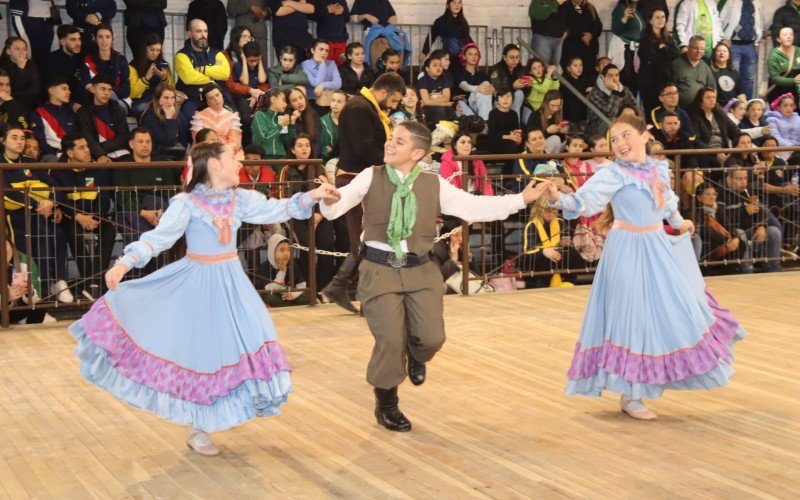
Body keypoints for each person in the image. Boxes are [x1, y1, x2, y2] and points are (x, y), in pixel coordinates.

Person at [68, 141, 340, 456]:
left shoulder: (240, 199)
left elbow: (275, 208)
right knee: (204, 353)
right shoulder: (187, 203)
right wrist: (125, 262)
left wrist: (313, 196)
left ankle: (231, 406)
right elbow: (159, 238)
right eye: (232, 158)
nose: (239, 162)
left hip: (232, 281)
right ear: (213, 164)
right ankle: (198, 426)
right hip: (198, 282)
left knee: (253, 336)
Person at [319, 120, 547, 431]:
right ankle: (387, 403)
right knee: (389, 340)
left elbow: (473, 206)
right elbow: (338, 203)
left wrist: (521, 200)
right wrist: (329, 199)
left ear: (417, 152)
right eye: (391, 138)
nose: (389, 144)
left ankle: (417, 353)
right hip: (379, 270)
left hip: (421, 271)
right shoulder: (369, 176)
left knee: (431, 338)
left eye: (398, 141)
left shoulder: (433, 183)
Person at [546, 114, 745, 420]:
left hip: (656, 247)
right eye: (614, 140)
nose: (619, 143)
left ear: (644, 135)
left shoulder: (658, 169)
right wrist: (559, 198)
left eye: (625, 135)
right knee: (633, 318)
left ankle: (644, 385)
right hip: (627, 249)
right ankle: (632, 394)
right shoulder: (612, 173)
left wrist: (680, 224)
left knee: (671, 310)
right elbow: (585, 202)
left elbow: (666, 205)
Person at [321, 72, 405, 313]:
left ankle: (343, 287)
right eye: (394, 100)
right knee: (367, 239)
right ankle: (358, 292)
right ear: (382, 93)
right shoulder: (360, 108)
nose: (394, 106)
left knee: (372, 237)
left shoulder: (365, 107)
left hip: (364, 178)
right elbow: (363, 148)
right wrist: (395, 162)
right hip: (355, 179)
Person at [174, 19, 231, 123]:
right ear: (190, 34)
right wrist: (213, 77)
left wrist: (202, 70)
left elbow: (225, 73)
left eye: (205, 31)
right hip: (193, 99)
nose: (203, 35)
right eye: (199, 31)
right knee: (193, 120)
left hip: (216, 98)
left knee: (234, 117)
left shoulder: (217, 53)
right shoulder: (181, 55)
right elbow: (189, 77)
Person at [76, 73, 131, 162]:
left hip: (123, 154)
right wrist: (99, 155)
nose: (106, 93)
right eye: (103, 89)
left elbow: (124, 137)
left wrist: (100, 147)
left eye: (109, 90)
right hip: (97, 157)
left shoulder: (118, 110)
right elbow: (87, 139)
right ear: (93, 89)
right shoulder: (83, 112)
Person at [718, 0, 763, 99]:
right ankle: (733, 106)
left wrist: (757, 43)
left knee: (749, 79)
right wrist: (723, 38)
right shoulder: (730, 1)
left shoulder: (757, 2)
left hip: (751, 46)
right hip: (733, 45)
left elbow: (760, 23)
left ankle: (746, 108)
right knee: (733, 77)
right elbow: (719, 19)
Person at [637, 8, 680, 113]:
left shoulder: (669, 37)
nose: (661, 20)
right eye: (657, 17)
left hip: (666, 79)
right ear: (650, 20)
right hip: (650, 82)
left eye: (663, 17)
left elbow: (676, 53)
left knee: (667, 111)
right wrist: (666, 52)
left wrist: (662, 48)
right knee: (652, 112)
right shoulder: (645, 39)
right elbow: (652, 57)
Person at [79, 24, 130, 110]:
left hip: (118, 102)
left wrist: (103, 90)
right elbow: (87, 87)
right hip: (94, 103)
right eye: (100, 37)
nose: (104, 40)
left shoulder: (121, 60)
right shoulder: (87, 61)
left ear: (112, 39)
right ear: (94, 39)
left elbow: (125, 91)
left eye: (107, 37)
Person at [28, 76, 78, 159]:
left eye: (69, 89)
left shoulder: (71, 112)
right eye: (64, 89)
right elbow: (40, 142)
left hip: (73, 155)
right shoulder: (38, 113)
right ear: (51, 91)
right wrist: (58, 153)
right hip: (51, 155)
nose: (69, 92)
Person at [129, 33, 175, 117]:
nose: (155, 53)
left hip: (161, 100)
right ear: (144, 48)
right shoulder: (134, 65)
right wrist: (146, 78)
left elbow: (172, 89)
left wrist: (164, 78)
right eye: (152, 49)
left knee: (177, 112)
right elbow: (133, 93)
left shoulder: (163, 64)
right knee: (151, 111)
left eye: (158, 50)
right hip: (141, 102)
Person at [139, 83, 190, 158]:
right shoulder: (149, 116)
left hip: (176, 155)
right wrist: (169, 118)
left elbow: (184, 137)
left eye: (172, 98)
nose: (170, 102)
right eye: (166, 98)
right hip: (156, 157)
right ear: (157, 99)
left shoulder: (178, 114)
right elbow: (168, 142)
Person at [190, 82, 243, 152]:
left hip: (228, 152)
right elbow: (198, 141)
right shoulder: (199, 116)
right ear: (207, 102)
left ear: (222, 96)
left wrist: (224, 151)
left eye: (217, 95)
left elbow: (235, 142)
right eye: (211, 98)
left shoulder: (233, 116)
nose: (216, 99)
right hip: (206, 152)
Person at [420, 0, 473, 67]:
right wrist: (424, 52)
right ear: (447, 5)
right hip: (448, 58)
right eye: (454, 3)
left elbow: (467, 38)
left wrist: (474, 49)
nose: (457, 5)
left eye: (459, 3)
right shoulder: (441, 21)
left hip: (463, 58)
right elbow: (431, 36)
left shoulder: (463, 22)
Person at [559, 0, 602, 78]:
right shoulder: (563, 7)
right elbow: (562, 27)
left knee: (589, 76)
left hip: (589, 51)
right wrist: (581, 35)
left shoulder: (590, 7)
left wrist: (591, 35)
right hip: (571, 50)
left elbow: (598, 25)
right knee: (572, 77)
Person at [671, 35, 716, 109]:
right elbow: (669, 89)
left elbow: (712, 89)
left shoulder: (705, 67)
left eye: (702, 49)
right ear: (688, 47)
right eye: (696, 48)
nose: (699, 51)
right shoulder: (676, 65)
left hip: (700, 110)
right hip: (681, 110)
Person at [9, 0, 58, 65]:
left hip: (48, 20)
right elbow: (16, 16)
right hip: (32, 21)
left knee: (45, 58)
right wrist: (25, 42)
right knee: (33, 58)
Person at [0, 37, 41, 115]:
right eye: (17, 49)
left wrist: (15, 94)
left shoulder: (31, 65)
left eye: (24, 49)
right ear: (8, 51)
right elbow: (11, 88)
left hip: (28, 104)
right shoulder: (2, 67)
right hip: (7, 105)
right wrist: (20, 69)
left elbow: (35, 89)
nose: (21, 52)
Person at [300, 39, 342, 112]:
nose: (324, 53)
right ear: (313, 51)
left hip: (330, 100)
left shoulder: (331, 63)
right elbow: (316, 84)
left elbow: (338, 83)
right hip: (312, 100)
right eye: (321, 49)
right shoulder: (305, 65)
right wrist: (322, 64)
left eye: (326, 50)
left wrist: (323, 85)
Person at [528, 0, 566, 68]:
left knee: (554, 72)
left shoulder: (563, 4)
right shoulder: (537, 2)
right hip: (542, 39)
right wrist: (555, 3)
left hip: (558, 40)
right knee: (543, 69)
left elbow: (568, 18)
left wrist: (567, 31)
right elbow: (540, 15)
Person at [767, 27, 800, 103]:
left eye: (791, 34)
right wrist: (793, 80)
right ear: (778, 39)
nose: (788, 37)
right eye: (785, 35)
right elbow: (774, 77)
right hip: (778, 91)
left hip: (796, 91)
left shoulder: (798, 51)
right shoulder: (774, 55)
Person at [312, 0, 350, 66]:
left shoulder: (342, 1)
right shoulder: (319, 1)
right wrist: (327, 10)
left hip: (341, 40)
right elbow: (311, 16)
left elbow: (347, 18)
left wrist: (343, 10)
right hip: (325, 41)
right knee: (325, 66)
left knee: (342, 66)